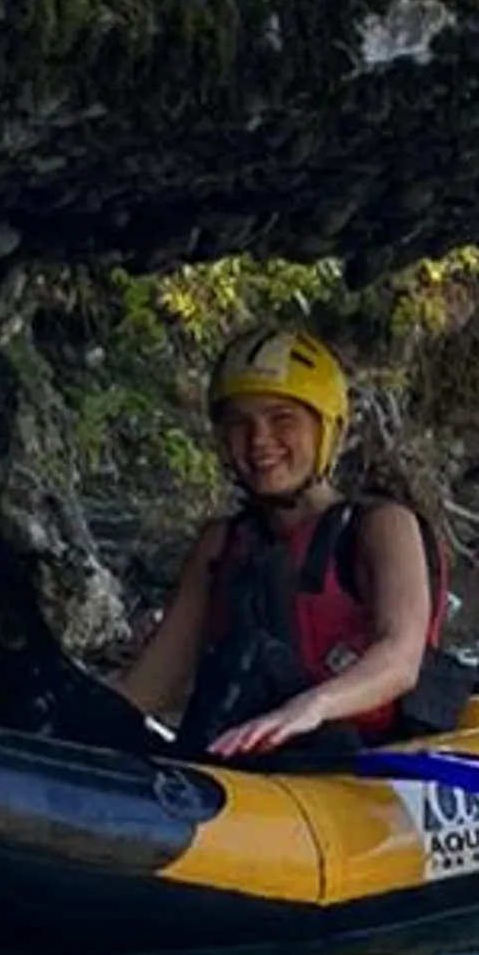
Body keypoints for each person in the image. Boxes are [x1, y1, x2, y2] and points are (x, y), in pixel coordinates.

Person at [104, 324, 447, 763]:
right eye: (239, 424)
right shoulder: (221, 543)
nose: (259, 440)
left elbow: (400, 660)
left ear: (327, 429)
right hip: (247, 760)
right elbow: (149, 686)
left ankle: (188, 784)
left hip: (354, 756)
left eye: (282, 419)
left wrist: (311, 707)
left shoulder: (381, 525)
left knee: (249, 653)